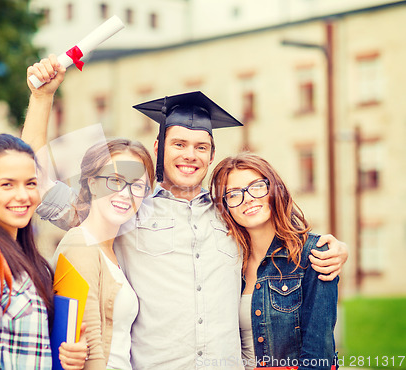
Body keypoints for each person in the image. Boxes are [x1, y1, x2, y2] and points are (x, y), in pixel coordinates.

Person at [23, 56, 348, 369]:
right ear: (158, 148)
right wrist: (41, 98)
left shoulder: (232, 214)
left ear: (211, 156)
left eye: (201, 147)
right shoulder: (125, 208)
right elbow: (38, 183)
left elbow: (280, 245)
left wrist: (329, 247)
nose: (190, 155)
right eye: (179, 144)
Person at [25, 56, 155, 370]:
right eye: (114, 180)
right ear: (91, 183)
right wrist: (42, 97)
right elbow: (88, 351)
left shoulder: (118, 243)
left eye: (137, 185)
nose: (124, 193)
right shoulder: (80, 245)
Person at [0, 134, 87, 369]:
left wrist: (70, 355)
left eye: (30, 183)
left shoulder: (29, 261)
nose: (23, 195)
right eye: (7, 184)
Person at [210, 153, 338, 370]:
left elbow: (319, 358)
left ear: (274, 189)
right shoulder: (228, 261)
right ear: (226, 207)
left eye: (257, 186)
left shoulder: (313, 255)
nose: (248, 198)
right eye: (233, 194)